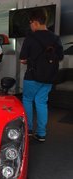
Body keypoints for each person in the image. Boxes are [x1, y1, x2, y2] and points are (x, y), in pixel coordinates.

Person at [20, 9, 63, 142]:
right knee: (41, 102)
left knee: (27, 100)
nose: (30, 26)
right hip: (49, 77)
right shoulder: (55, 38)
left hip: (32, 77)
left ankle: (29, 130)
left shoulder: (30, 37)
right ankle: (41, 134)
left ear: (36, 22)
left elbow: (22, 59)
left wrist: (30, 60)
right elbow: (60, 57)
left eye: (31, 23)